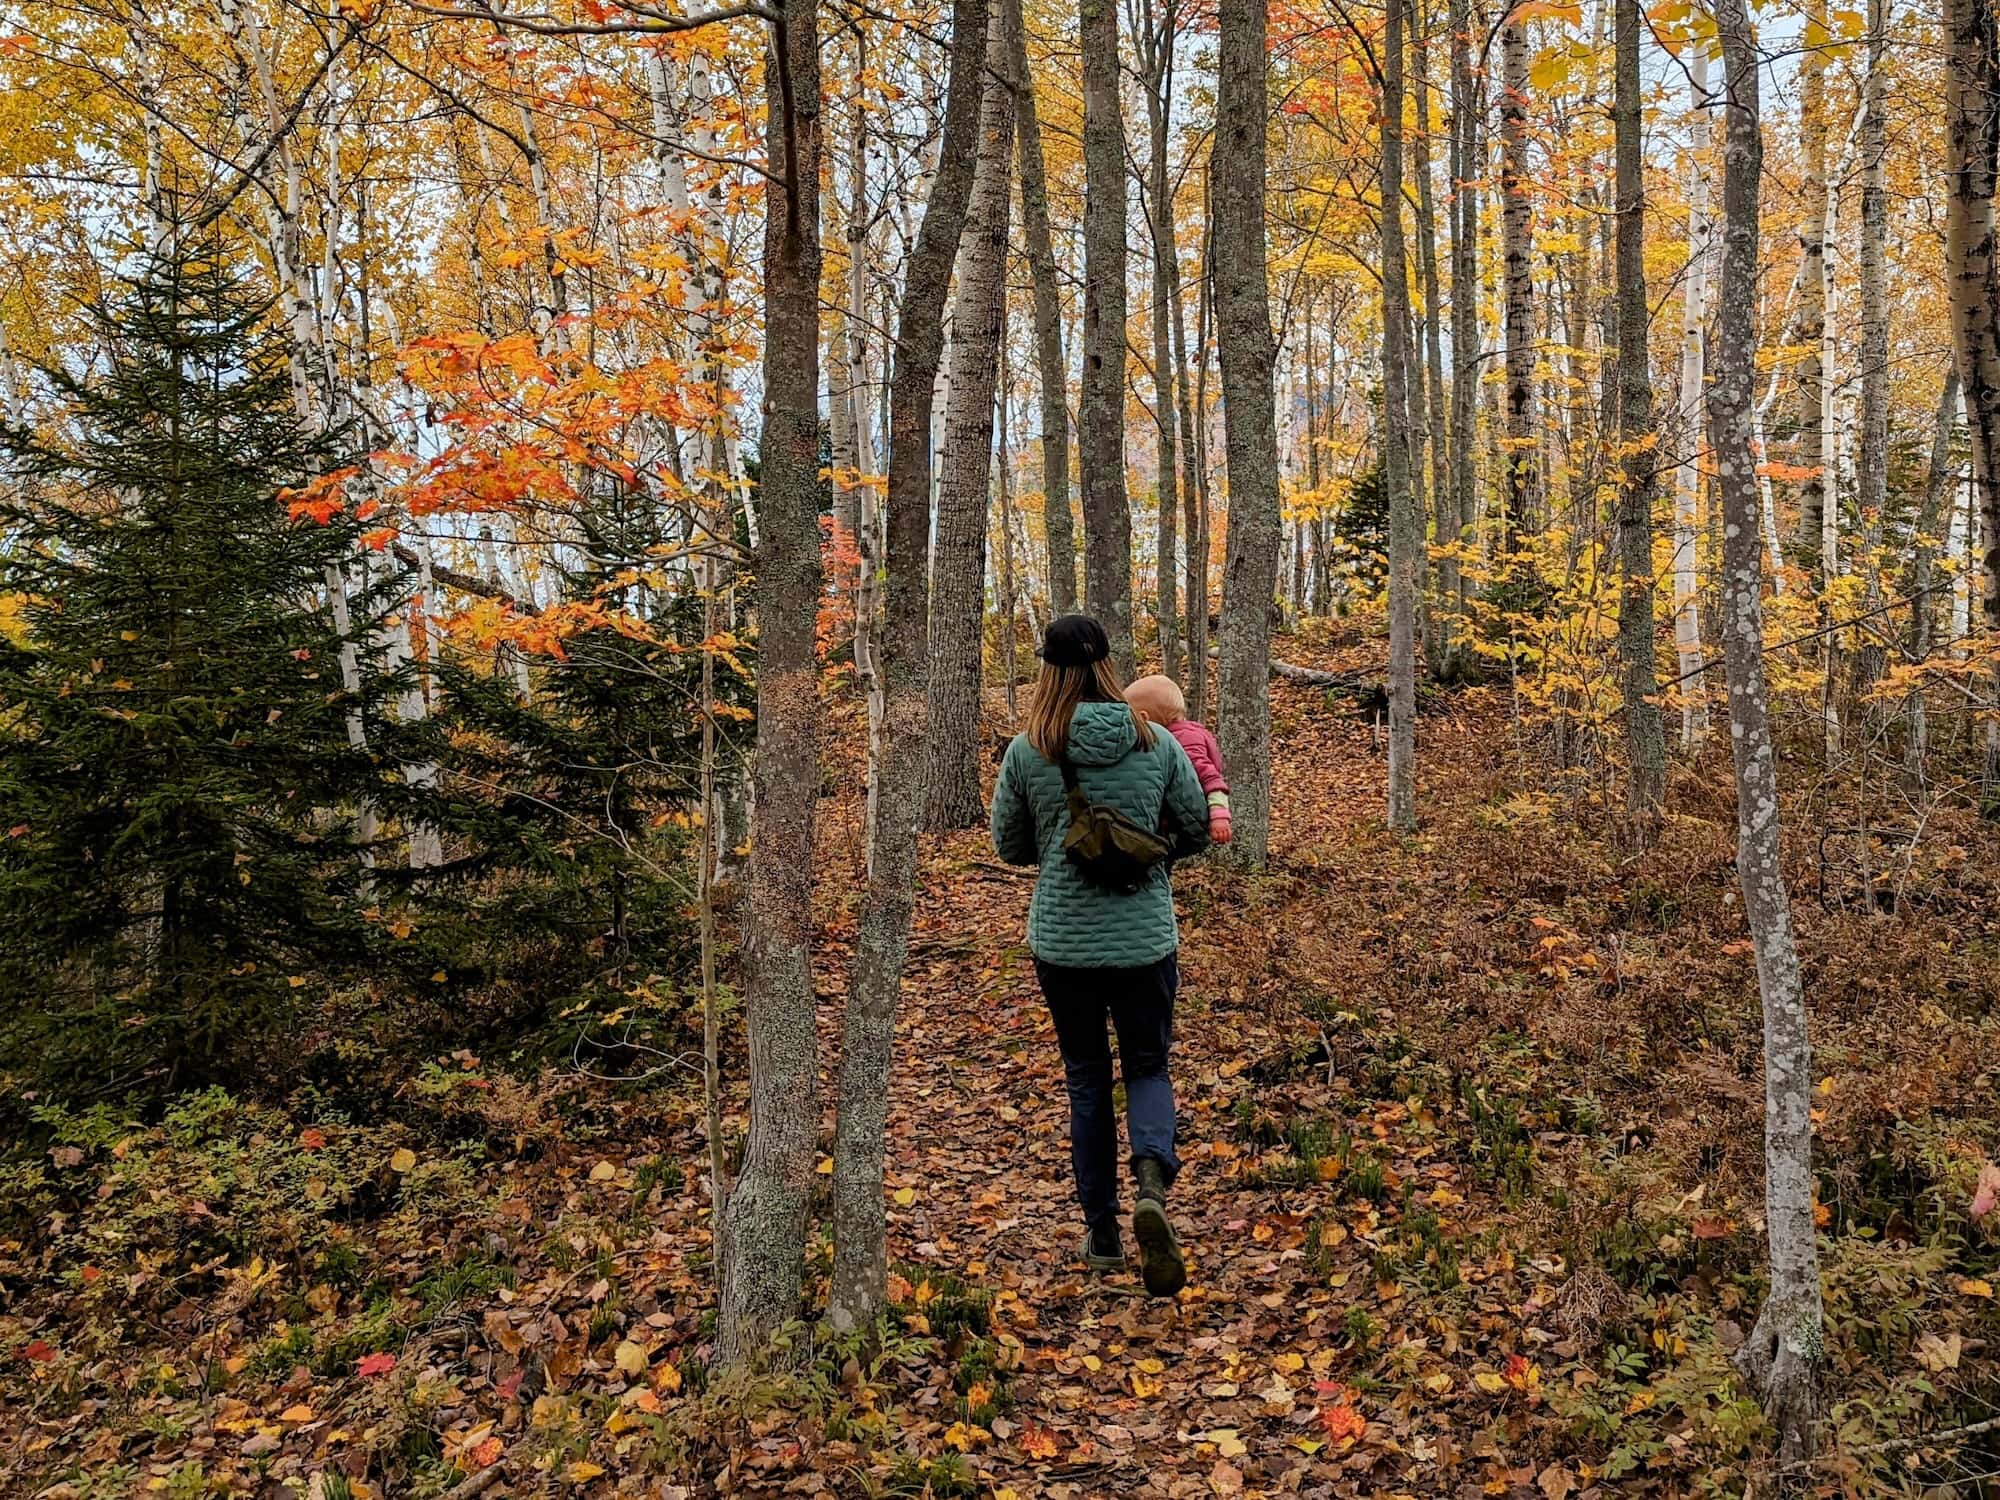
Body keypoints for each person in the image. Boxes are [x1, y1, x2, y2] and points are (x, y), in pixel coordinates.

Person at [990, 615, 1211, 1296]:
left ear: (1047, 671)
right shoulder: (1157, 742)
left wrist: (1066, 842)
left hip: (1063, 945)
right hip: (1145, 938)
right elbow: (1199, 826)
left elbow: (1011, 846)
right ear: (1110, 666)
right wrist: (1149, 846)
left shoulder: (1029, 752)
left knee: (1087, 1080)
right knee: (1148, 1066)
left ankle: (1105, 1234)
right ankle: (1151, 1180)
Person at [1124, 674, 1231, 844]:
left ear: (1145, 718)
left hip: (1185, 819)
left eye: (1130, 718)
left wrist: (1219, 815)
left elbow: (1210, 777)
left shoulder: (1184, 740)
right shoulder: (1180, 734)